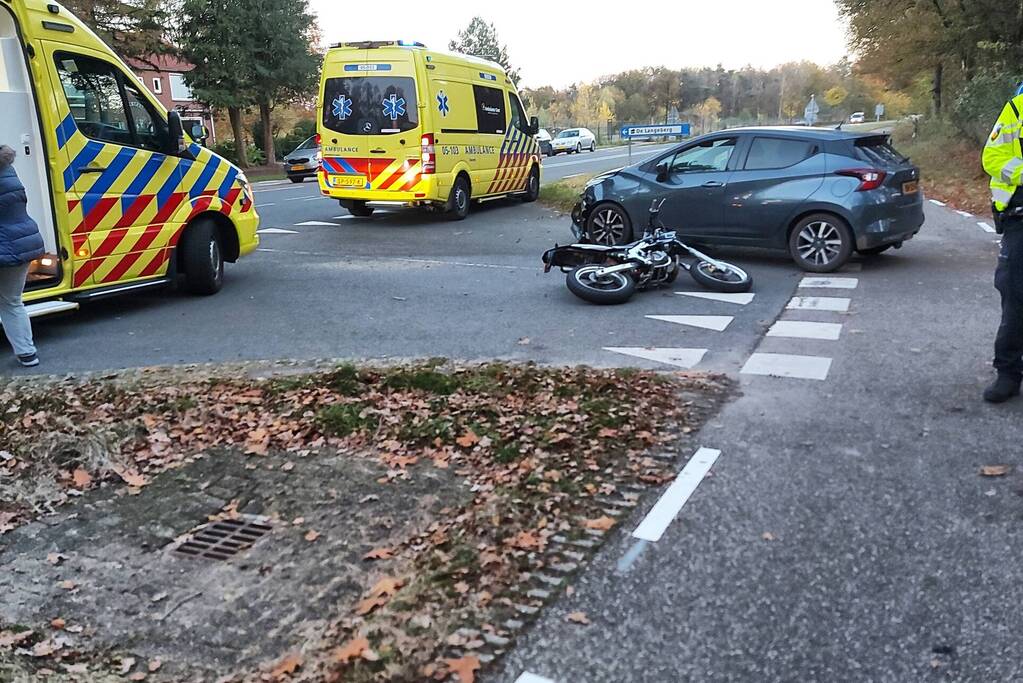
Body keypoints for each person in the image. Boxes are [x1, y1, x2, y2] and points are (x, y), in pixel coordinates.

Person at [0, 144, 44, 367]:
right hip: (22, 242)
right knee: (12, 302)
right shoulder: (8, 171)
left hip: (5, 245)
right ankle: (27, 354)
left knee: (10, 302)